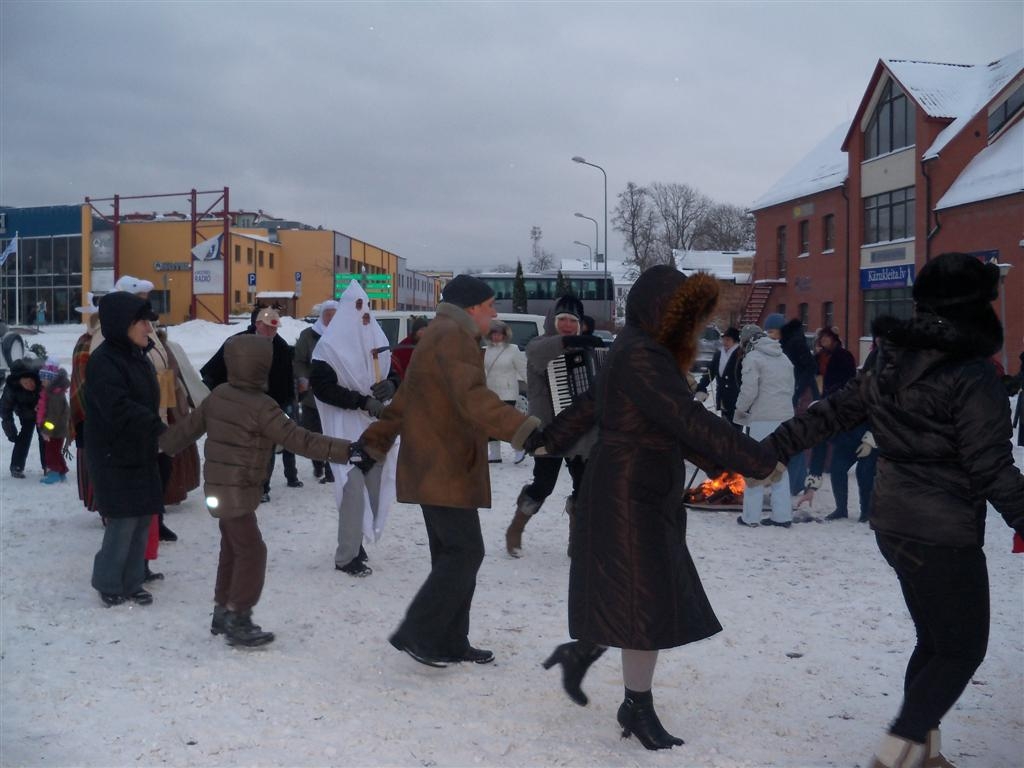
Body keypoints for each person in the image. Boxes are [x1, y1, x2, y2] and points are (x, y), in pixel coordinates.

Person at [765, 253, 1024, 768]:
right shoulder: (971, 373)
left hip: (894, 521)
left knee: (934, 641)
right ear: (978, 305)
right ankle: (895, 755)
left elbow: (834, 411)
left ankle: (925, 754)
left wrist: (771, 447)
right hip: (942, 530)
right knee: (960, 649)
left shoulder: (890, 356)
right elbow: (990, 465)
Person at [535, 266, 780, 749]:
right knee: (643, 601)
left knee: (639, 595)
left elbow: (595, 405)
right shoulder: (642, 355)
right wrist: (756, 459)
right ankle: (636, 705)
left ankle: (583, 654)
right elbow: (685, 419)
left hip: (639, 488)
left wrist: (550, 439)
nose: (691, 327)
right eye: (684, 315)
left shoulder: (638, 349)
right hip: (630, 492)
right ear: (660, 311)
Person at [357, 274, 541, 667]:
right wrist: (524, 430)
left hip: (435, 466)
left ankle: (451, 641)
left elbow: (405, 399)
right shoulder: (453, 337)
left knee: (451, 556)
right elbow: (474, 398)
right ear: (472, 307)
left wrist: (376, 440)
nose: (493, 314)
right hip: (445, 465)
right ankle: (420, 634)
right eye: (490, 306)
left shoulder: (439, 335)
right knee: (465, 552)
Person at [160, 335, 358, 647]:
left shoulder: (219, 395)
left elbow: (185, 431)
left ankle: (223, 611)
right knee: (252, 551)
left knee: (233, 548)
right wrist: (348, 450)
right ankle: (239, 617)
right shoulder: (262, 407)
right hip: (238, 492)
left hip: (221, 489)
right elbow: (301, 440)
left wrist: (160, 445)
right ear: (261, 366)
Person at [310, 282, 401, 577]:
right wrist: (361, 401)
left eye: (367, 311)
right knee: (352, 490)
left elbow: (394, 371)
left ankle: (358, 542)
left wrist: (392, 385)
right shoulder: (328, 349)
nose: (364, 318)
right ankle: (346, 555)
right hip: (344, 429)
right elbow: (323, 388)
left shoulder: (376, 338)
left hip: (375, 430)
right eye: (357, 311)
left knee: (375, 489)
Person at [506, 294, 602, 558]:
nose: (568, 325)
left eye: (573, 321)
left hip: (583, 436)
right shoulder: (540, 345)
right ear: (553, 321)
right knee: (543, 485)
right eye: (563, 320)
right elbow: (537, 353)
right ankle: (516, 528)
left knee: (584, 489)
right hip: (548, 432)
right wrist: (571, 341)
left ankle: (577, 540)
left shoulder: (588, 353)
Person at [87, 291, 166, 607]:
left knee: (143, 515)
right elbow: (118, 408)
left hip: (140, 449)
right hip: (113, 454)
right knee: (123, 520)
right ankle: (109, 581)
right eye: (142, 322)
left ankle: (133, 580)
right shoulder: (103, 361)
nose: (149, 329)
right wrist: (157, 428)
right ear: (123, 324)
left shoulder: (137, 356)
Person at [202, 306, 301, 501]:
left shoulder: (280, 347)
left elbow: (287, 379)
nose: (272, 332)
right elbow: (214, 370)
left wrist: (288, 403)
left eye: (275, 328)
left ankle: (262, 487)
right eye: (268, 327)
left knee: (266, 449)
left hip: (268, 406)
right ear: (257, 325)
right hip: (239, 406)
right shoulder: (238, 342)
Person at [733, 324, 795, 527]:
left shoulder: (753, 357)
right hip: (785, 417)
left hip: (762, 419)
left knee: (755, 465)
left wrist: (740, 412)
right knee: (780, 468)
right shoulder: (783, 356)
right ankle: (782, 515)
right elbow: (791, 387)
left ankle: (751, 516)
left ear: (748, 341)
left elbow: (749, 390)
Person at [803, 326, 860, 519]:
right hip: (826, 403)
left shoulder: (843, 356)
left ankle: (862, 509)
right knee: (825, 454)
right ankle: (837, 505)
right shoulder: (821, 356)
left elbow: (848, 381)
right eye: (822, 339)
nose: (824, 341)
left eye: (826, 338)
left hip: (841, 408)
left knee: (840, 461)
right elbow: (813, 372)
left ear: (833, 339)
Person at [770, 314, 819, 494]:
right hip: (792, 394)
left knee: (794, 437)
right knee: (793, 438)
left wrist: (798, 387)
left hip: (801, 396)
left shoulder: (794, 343)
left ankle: (796, 482)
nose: (770, 335)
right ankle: (795, 481)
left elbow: (811, 367)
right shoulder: (788, 343)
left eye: (772, 331)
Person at [294, 300, 339, 484]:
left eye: (334, 315)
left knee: (332, 432)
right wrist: (303, 378)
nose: (331, 318)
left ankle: (330, 468)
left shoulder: (343, 335)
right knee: (314, 431)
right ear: (322, 316)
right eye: (328, 314)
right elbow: (299, 361)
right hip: (313, 394)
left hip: (335, 393)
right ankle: (318, 462)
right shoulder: (308, 336)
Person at [68, 293, 101, 511]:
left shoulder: (102, 340)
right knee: (92, 458)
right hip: (89, 412)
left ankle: (100, 502)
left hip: (100, 409)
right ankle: (96, 502)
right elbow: (79, 377)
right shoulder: (84, 342)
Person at [484, 318, 528, 463]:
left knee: (507, 424)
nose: (496, 336)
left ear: (505, 334)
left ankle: (518, 449)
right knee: (491, 424)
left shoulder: (513, 349)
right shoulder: (486, 350)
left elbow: (523, 369)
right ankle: (495, 454)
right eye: (493, 333)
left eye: (499, 333)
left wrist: (533, 386)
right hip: (490, 392)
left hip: (508, 392)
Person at [1, 358, 43, 479]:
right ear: (19, 382)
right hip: (25, 415)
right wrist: (12, 433)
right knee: (24, 436)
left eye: (31, 382)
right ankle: (16, 466)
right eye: (26, 383)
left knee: (45, 436)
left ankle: (49, 465)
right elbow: (5, 412)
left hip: (43, 414)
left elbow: (54, 398)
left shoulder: (42, 382)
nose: (30, 385)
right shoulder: (11, 389)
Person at [694, 326, 742, 426]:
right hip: (722, 396)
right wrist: (702, 385)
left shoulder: (740, 355)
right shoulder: (719, 354)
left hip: (736, 398)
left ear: (735, 341)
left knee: (735, 430)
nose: (725, 342)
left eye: (728, 340)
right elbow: (711, 372)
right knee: (725, 426)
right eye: (724, 339)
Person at [35, 359, 70, 484]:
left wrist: (47, 431)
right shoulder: (51, 393)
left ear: (51, 380)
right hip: (56, 429)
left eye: (45, 379)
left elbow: (53, 416)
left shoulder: (55, 395)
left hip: (54, 431)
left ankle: (54, 473)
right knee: (55, 451)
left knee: (51, 452)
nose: (42, 381)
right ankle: (61, 472)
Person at [391, 316, 429, 381]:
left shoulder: (427, 343)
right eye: (421, 329)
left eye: (426, 329)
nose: (424, 332)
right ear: (415, 331)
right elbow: (398, 366)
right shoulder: (405, 345)